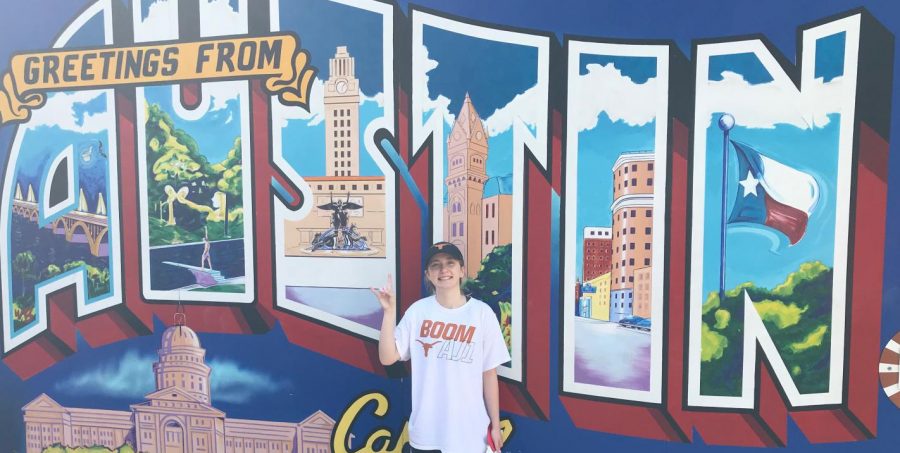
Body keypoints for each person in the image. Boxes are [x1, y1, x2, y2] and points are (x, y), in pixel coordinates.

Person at [372, 242, 510, 453]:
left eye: (450, 263)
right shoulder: (418, 312)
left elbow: (489, 375)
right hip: (427, 434)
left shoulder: (482, 314)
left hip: (471, 434)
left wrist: (495, 424)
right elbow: (387, 358)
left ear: (462, 269)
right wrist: (389, 313)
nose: (444, 270)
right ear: (428, 274)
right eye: (436, 265)